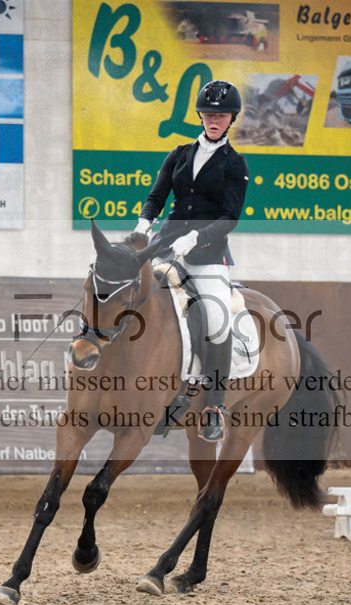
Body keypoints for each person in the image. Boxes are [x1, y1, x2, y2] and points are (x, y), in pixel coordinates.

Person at [134, 80, 249, 442]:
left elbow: (230, 216)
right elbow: (156, 196)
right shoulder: (179, 153)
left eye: (222, 115)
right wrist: (143, 226)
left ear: (231, 119)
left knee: (215, 318)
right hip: (166, 244)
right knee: (137, 299)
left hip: (209, 254)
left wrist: (198, 235)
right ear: (201, 116)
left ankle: (214, 405)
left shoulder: (235, 163)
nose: (215, 120)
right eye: (209, 114)